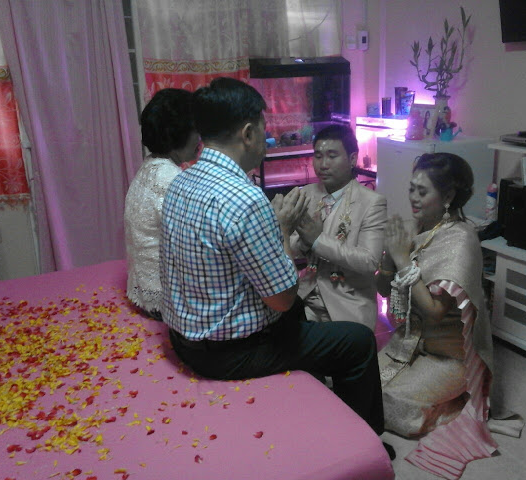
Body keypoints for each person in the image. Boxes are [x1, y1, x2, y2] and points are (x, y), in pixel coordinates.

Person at [160, 77, 394, 459]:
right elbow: (282, 298)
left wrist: (289, 235)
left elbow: (365, 262)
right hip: (227, 352)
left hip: (185, 337)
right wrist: (282, 229)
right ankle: (362, 448)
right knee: (357, 342)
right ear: (248, 133)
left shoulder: (182, 181)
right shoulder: (245, 199)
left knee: (304, 316)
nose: (322, 163)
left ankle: (326, 411)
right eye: (264, 128)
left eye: (332, 155)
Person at [376, 152, 497, 479]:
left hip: (449, 357)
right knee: (363, 382)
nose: (413, 198)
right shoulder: (417, 228)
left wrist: (403, 260)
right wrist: (388, 256)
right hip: (410, 342)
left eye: (422, 191)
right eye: (411, 189)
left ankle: (458, 404)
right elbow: (384, 291)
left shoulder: (462, 240)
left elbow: (433, 313)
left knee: (391, 404)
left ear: (447, 196)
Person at [290, 124, 387, 330]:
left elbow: (369, 261)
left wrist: (317, 240)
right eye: (318, 156)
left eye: (332, 156)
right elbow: (286, 244)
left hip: (348, 304)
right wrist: (305, 243)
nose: (323, 164)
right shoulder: (305, 194)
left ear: (352, 159)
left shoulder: (371, 202)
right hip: (306, 297)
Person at [124, 88, 200, 319]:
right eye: (196, 129)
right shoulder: (172, 180)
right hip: (167, 301)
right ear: (180, 134)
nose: (199, 139)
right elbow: (195, 245)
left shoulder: (148, 167)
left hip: (142, 289)